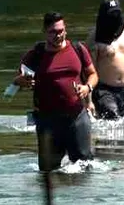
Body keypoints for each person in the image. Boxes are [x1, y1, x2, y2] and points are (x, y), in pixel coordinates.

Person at [13, 12, 99, 172]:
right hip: (47, 121)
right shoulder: (36, 54)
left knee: (85, 168)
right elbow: (17, 80)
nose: (58, 35)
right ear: (45, 32)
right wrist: (22, 82)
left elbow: (93, 74)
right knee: (47, 171)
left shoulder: (78, 49)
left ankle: (82, 197)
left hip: (77, 118)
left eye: (61, 31)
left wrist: (87, 87)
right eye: (53, 32)